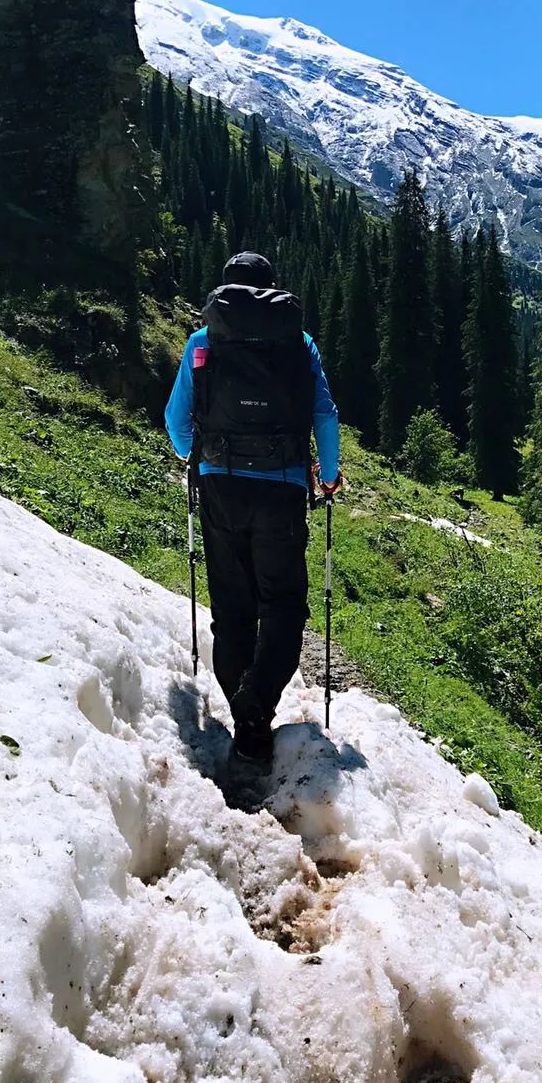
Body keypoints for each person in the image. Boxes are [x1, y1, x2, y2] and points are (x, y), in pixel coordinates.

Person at [165, 251, 342, 767]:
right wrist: (327, 477)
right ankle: (256, 705)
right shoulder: (299, 342)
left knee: (233, 608)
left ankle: (245, 714)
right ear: (271, 291)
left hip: (219, 486)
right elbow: (324, 414)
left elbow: (178, 422)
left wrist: (199, 456)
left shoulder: (202, 342)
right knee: (284, 606)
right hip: (282, 488)